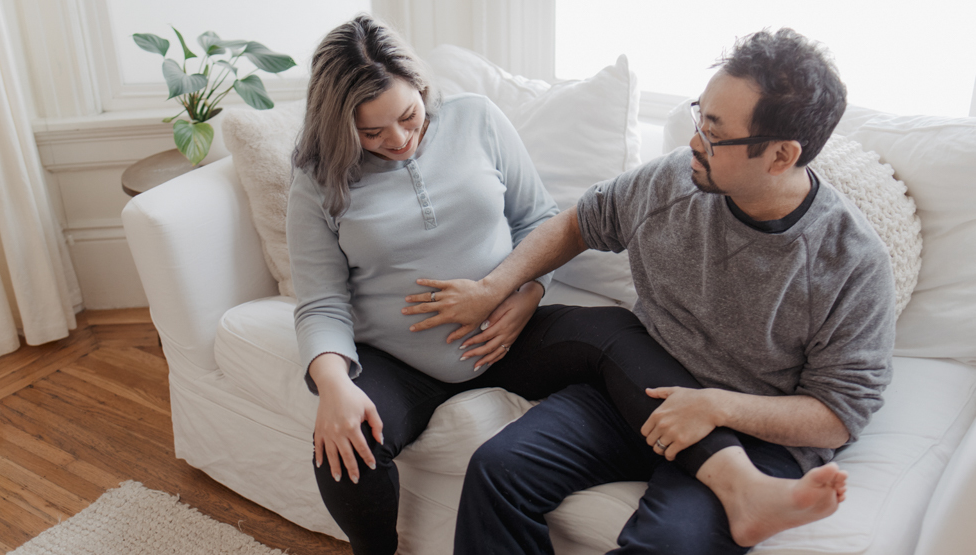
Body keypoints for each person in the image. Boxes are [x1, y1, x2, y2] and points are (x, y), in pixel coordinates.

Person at [289, 14, 770, 555]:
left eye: (408, 116)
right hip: (399, 361)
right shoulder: (317, 179)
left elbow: (538, 221)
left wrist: (522, 297)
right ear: (338, 126)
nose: (398, 140)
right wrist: (334, 386)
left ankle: (735, 477)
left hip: (507, 332)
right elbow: (320, 301)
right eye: (371, 132)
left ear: (422, 89)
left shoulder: (476, 119)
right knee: (344, 446)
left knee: (615, 331)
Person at [404, 29, 896, 554]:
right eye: (699, 116)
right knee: (498, 470)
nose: (693, 142)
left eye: (714, 131)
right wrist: (495, 285)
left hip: (755, 434)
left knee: (667, 544)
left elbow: (837, 416)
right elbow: (578, 223)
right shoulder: (674, 184)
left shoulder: (851, 263)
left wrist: (716, 408)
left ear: (780, 156)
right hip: (638, 391)